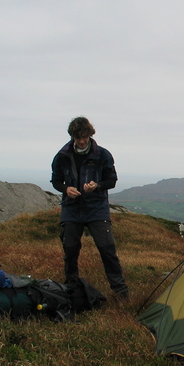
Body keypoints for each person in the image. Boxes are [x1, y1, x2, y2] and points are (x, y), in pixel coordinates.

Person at [51, 117, 129, 298]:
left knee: (107, 248)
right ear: (72, 137)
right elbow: (55, 181)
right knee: (70, 249)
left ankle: (121, 293)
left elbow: (112, 181)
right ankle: (71, 288)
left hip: (96, 208)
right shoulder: (62, 155)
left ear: (90, 135)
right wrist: (65, 189)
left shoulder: (102, 155)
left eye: (84, 137)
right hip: (71, 208)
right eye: (78, 137)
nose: (81, 141)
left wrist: (97, 186)